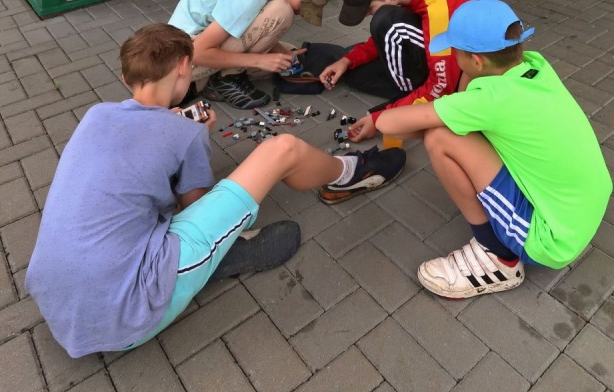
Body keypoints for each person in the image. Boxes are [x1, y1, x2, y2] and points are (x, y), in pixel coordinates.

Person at [25, 24, 405, 358]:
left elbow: (139, 141)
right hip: (125, 316)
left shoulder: (96, 115)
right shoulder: (185, 132)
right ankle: (351, 173)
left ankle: (206, 261)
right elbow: (198, 206)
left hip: (57, 304)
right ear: (183, 68)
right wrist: (193, 139)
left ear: (126, 79)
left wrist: (177, 135)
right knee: (284, 149)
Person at [374, 0, 613, 299]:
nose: (453, 58)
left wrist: (434, 116)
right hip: (582, 209)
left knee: (439, 138)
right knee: (453, 128)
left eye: (456, 52)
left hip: (552, 239)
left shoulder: (488, 101)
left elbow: (388, 124)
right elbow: (475, 101)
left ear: (476, 62)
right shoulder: (535, 66)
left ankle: (498, 257)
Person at [318, 0, 476, 144]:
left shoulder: (438, 11)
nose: (368, 15)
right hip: (432, 55)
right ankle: (408, 97)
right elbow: (386, 34)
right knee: (354, 75)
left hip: (453, 74)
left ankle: (409, 99)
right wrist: (347, 60)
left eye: (369, 10)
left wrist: (383, 117)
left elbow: (442, 87)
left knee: (385, 20)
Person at [169, 0, 338, 110]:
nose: (302, 13)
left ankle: (208, 79)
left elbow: (250, 25)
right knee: (281, 11)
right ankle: (221, 81)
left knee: (285, 57)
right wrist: (259, 60)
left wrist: (279, 52)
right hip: (182, 55)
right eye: (305, 6)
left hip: (203, 38)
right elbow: (198, 52)